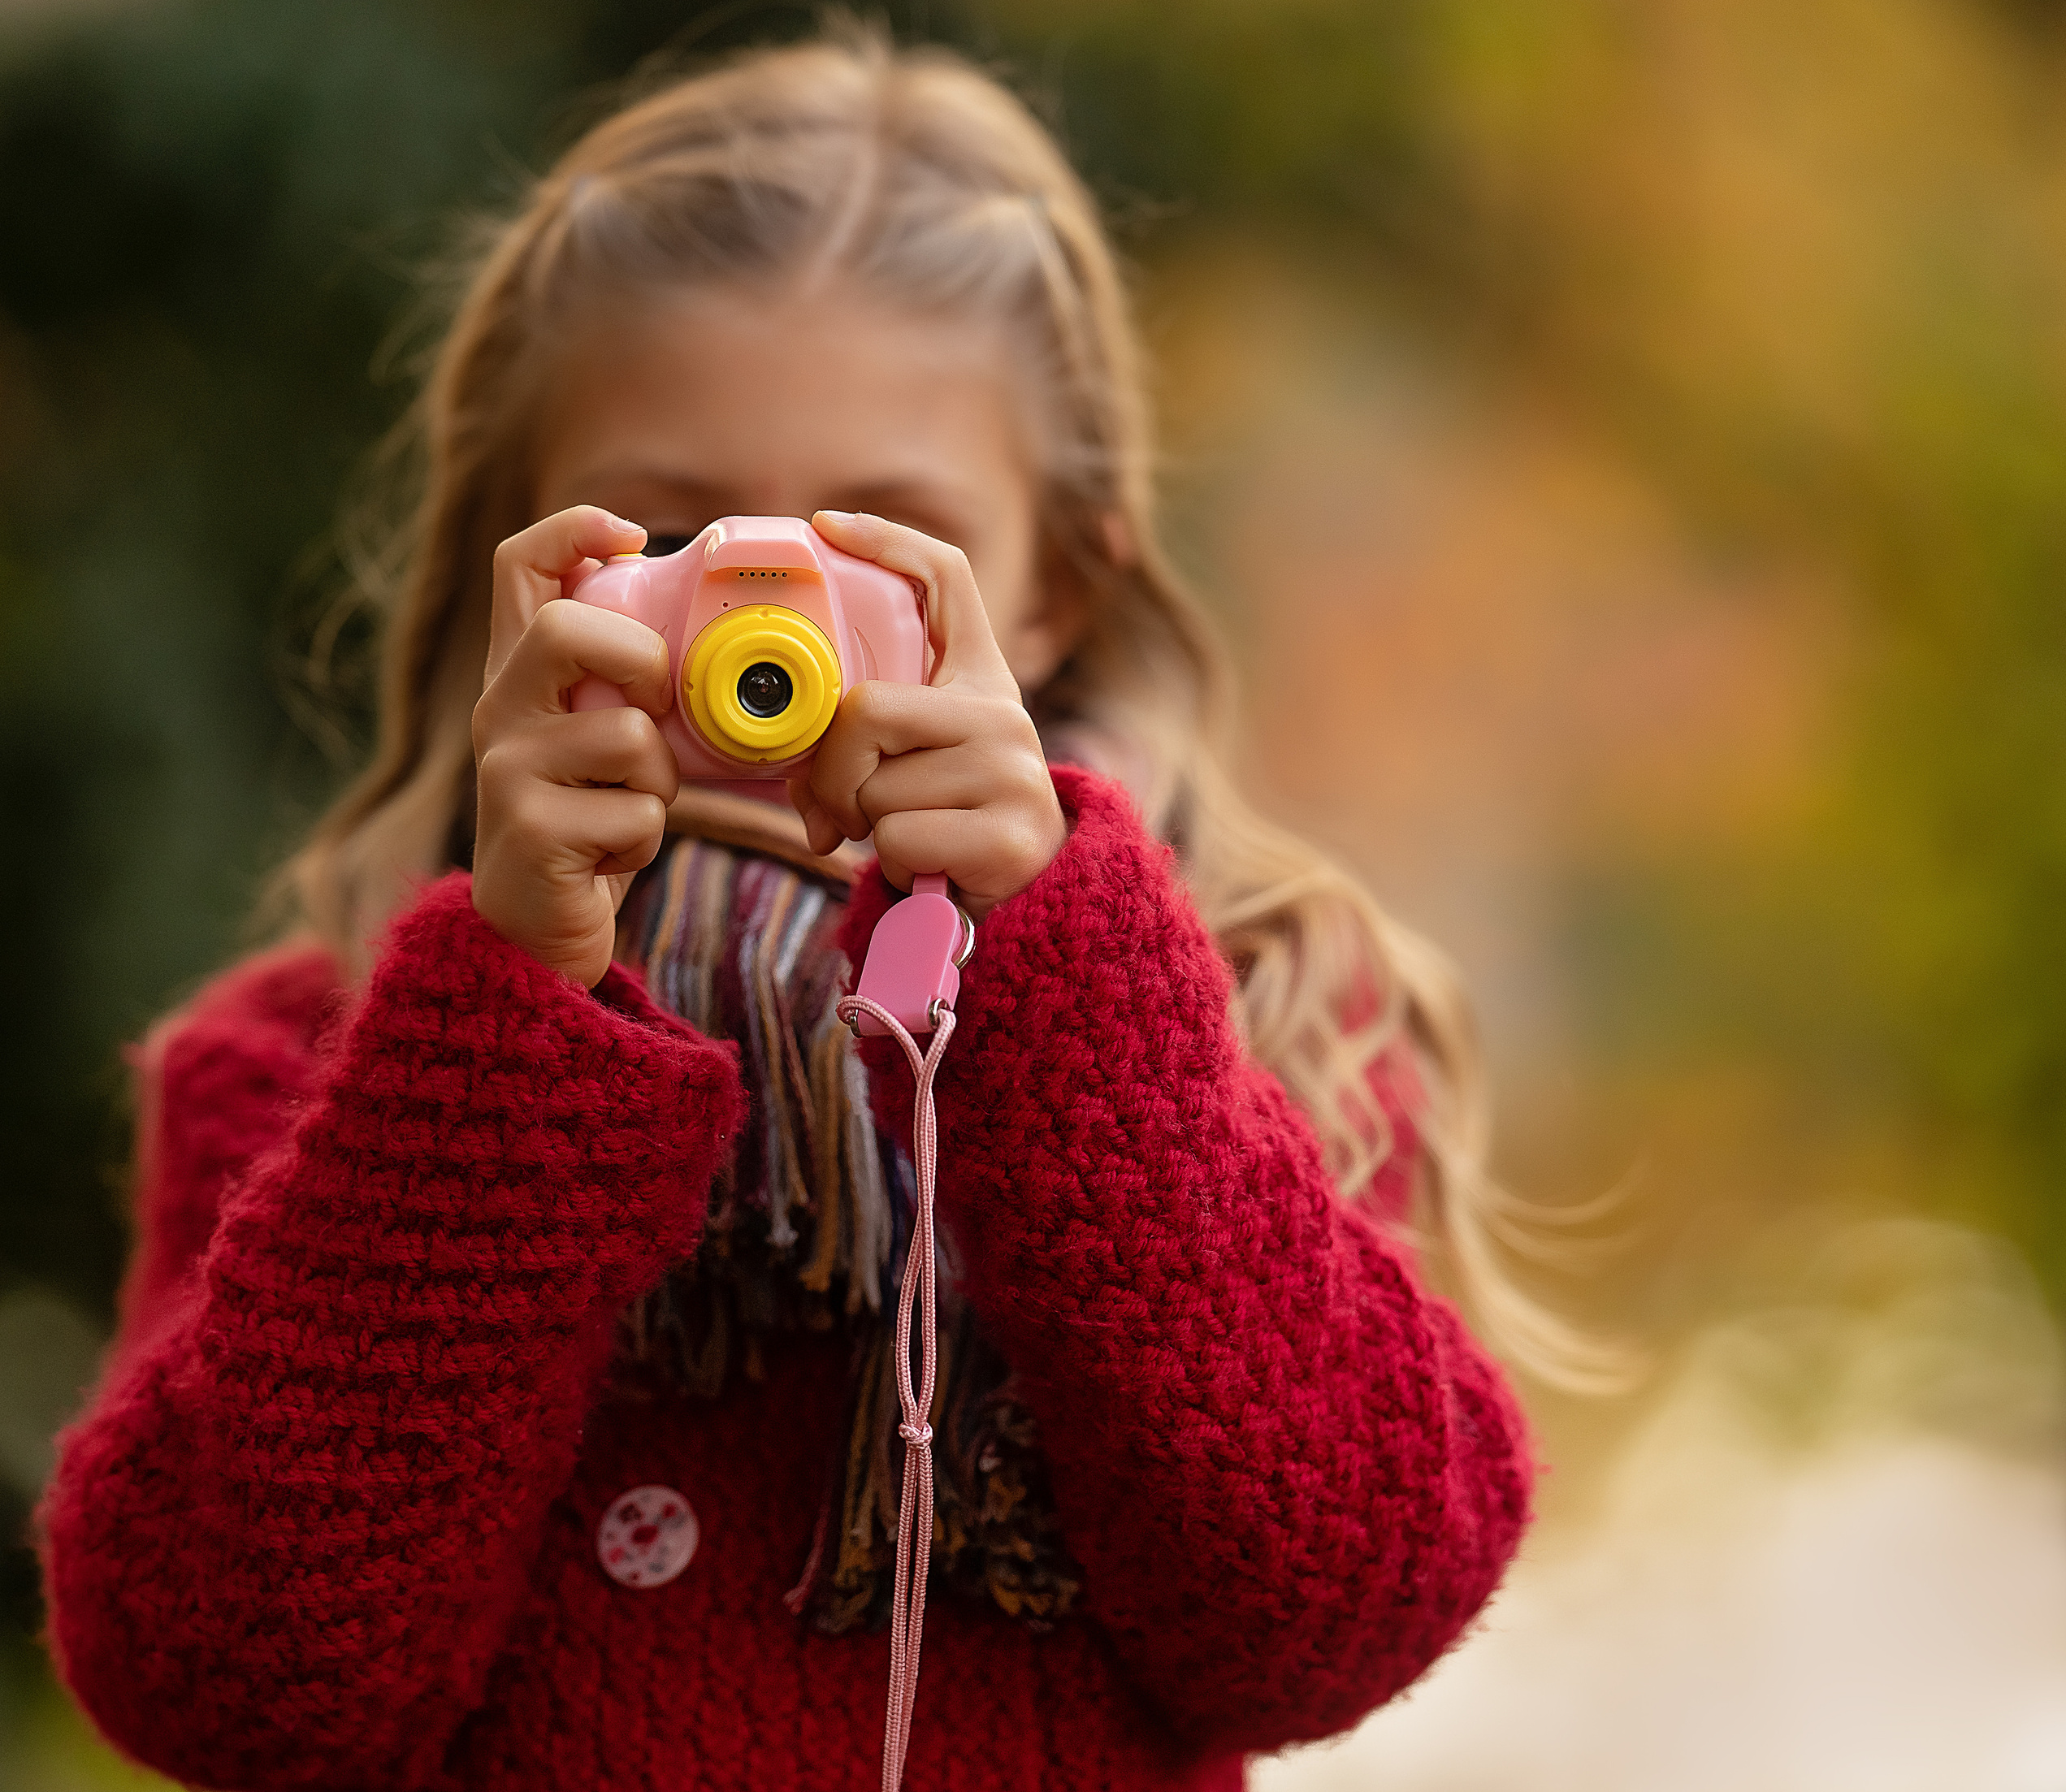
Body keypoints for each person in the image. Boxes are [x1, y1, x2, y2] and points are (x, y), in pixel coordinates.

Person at [38, 27, 1552, 1791]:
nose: (777, 620)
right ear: (515, 566)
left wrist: (1060, 981)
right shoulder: (320, 1066)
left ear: (1057, 580)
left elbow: (1335, 1606)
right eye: (677, 533)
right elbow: (223, 1680)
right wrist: (506, 1027)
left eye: (878, 541)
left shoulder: (1249, 1018)